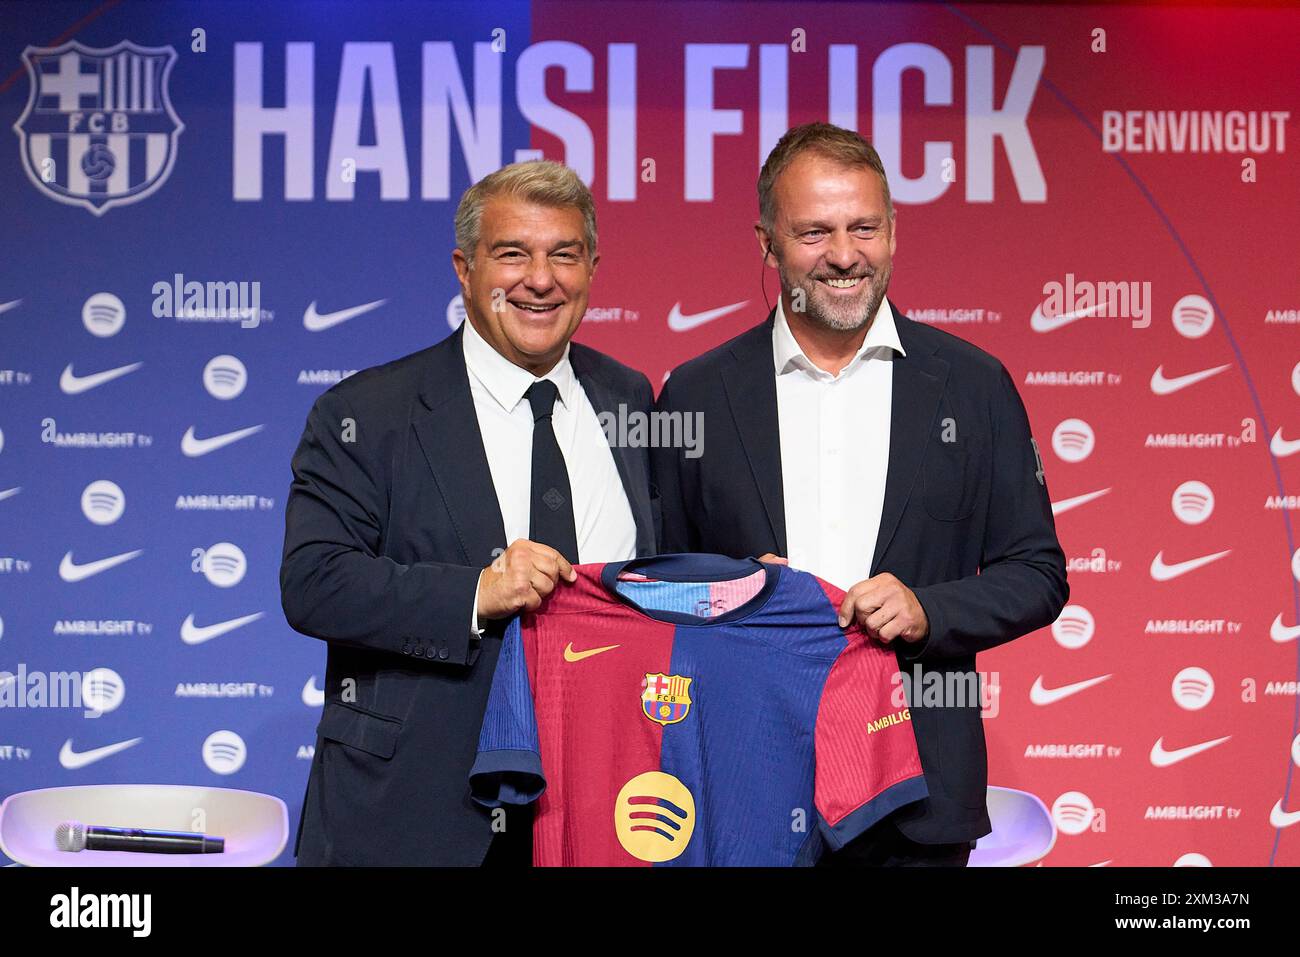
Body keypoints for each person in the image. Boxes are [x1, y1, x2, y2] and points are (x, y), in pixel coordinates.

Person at [652, 123, 1068, 866]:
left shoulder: (974, 386)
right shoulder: (698, 393)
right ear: (767, 243)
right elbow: (656, 585)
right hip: (745, 782)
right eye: (814, 231)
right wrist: (735, 591)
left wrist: (927, 607)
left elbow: (1038, 574)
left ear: (894, 232)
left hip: (917, 797)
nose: (844, 255)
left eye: (863, 227)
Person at [281, 160, 658, 866]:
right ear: (464, 267)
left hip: (602, 811)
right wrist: (476, 592)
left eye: (564, 255)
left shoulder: (631, 399)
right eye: (512, 253)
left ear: (592, 268)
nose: (539, 279)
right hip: (417, 816)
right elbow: (314, 582)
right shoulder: (366, 413)